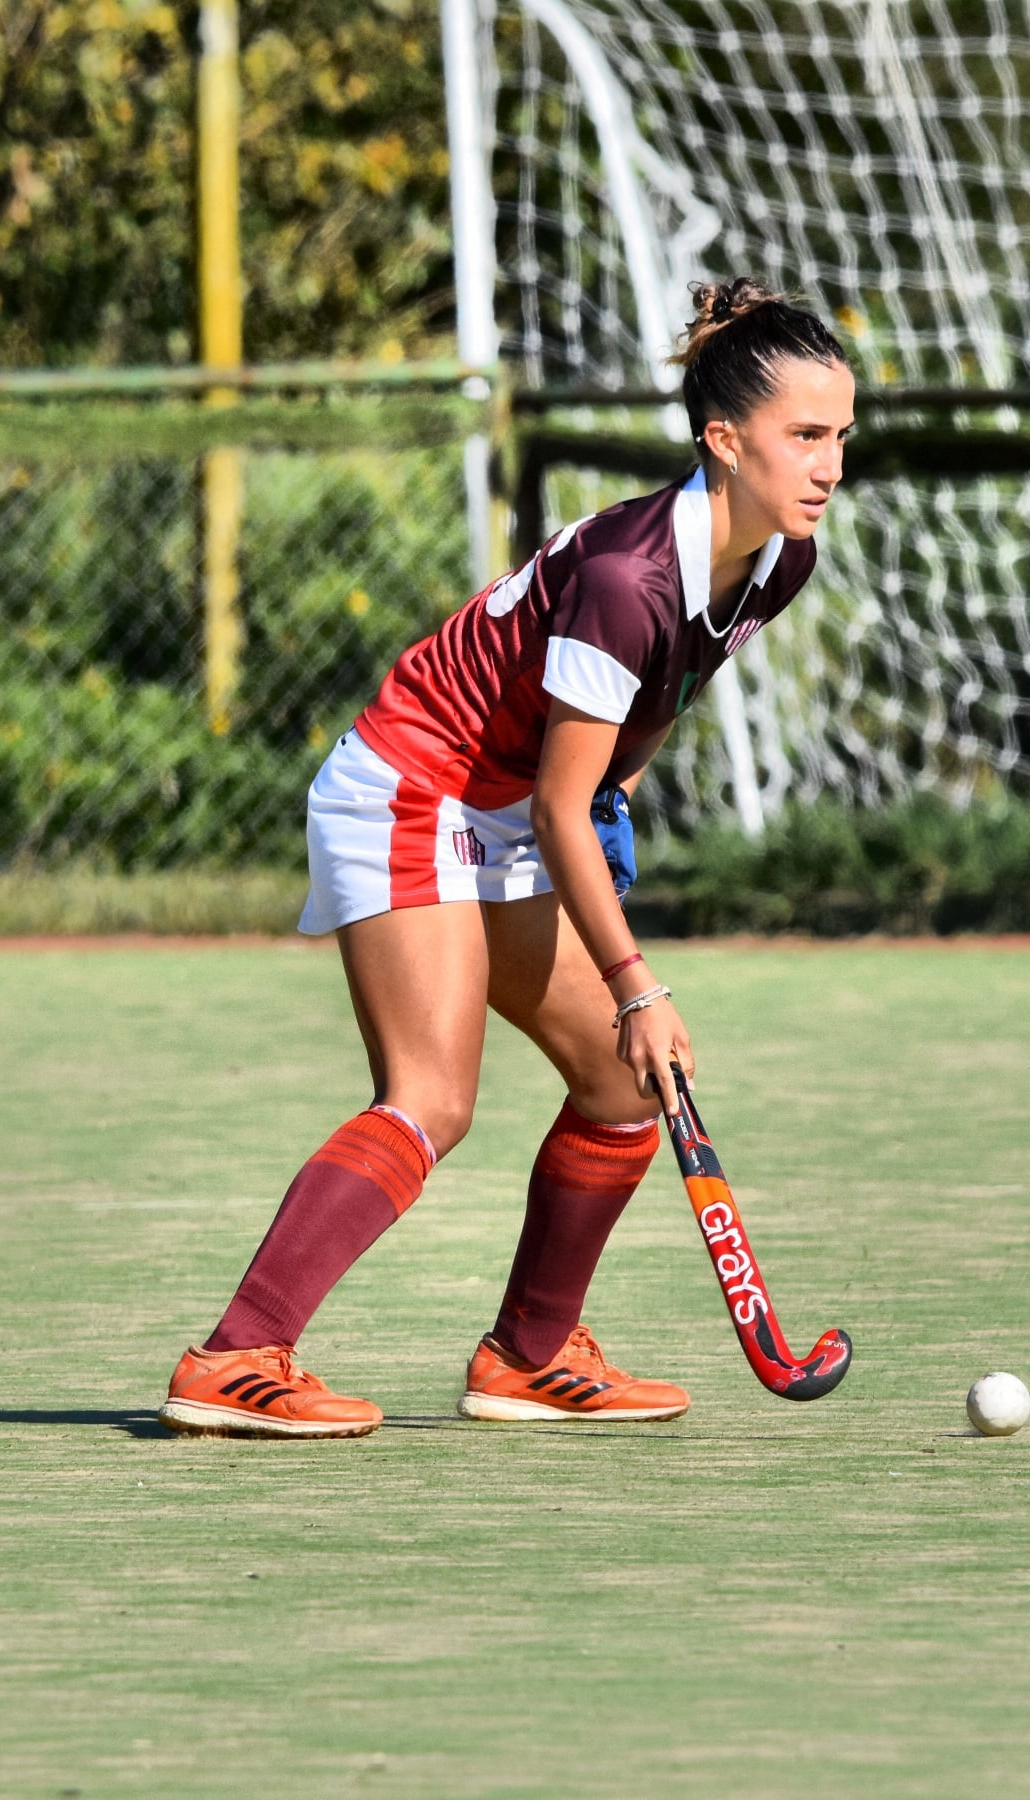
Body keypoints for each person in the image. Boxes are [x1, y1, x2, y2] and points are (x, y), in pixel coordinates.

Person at [159, 278, 855, 1438]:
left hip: (510, 804)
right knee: (433, 1096)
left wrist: (623, 787)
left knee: (626, 1086)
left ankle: (528, 1358)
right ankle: (236, 1358)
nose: (830, 464)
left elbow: (651, 706)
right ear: (724, 442)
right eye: (805, 437)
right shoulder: (629, 576)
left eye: (840, 436)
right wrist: (637, 979)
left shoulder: (778, 558)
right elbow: (558, 801)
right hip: (415, 782)